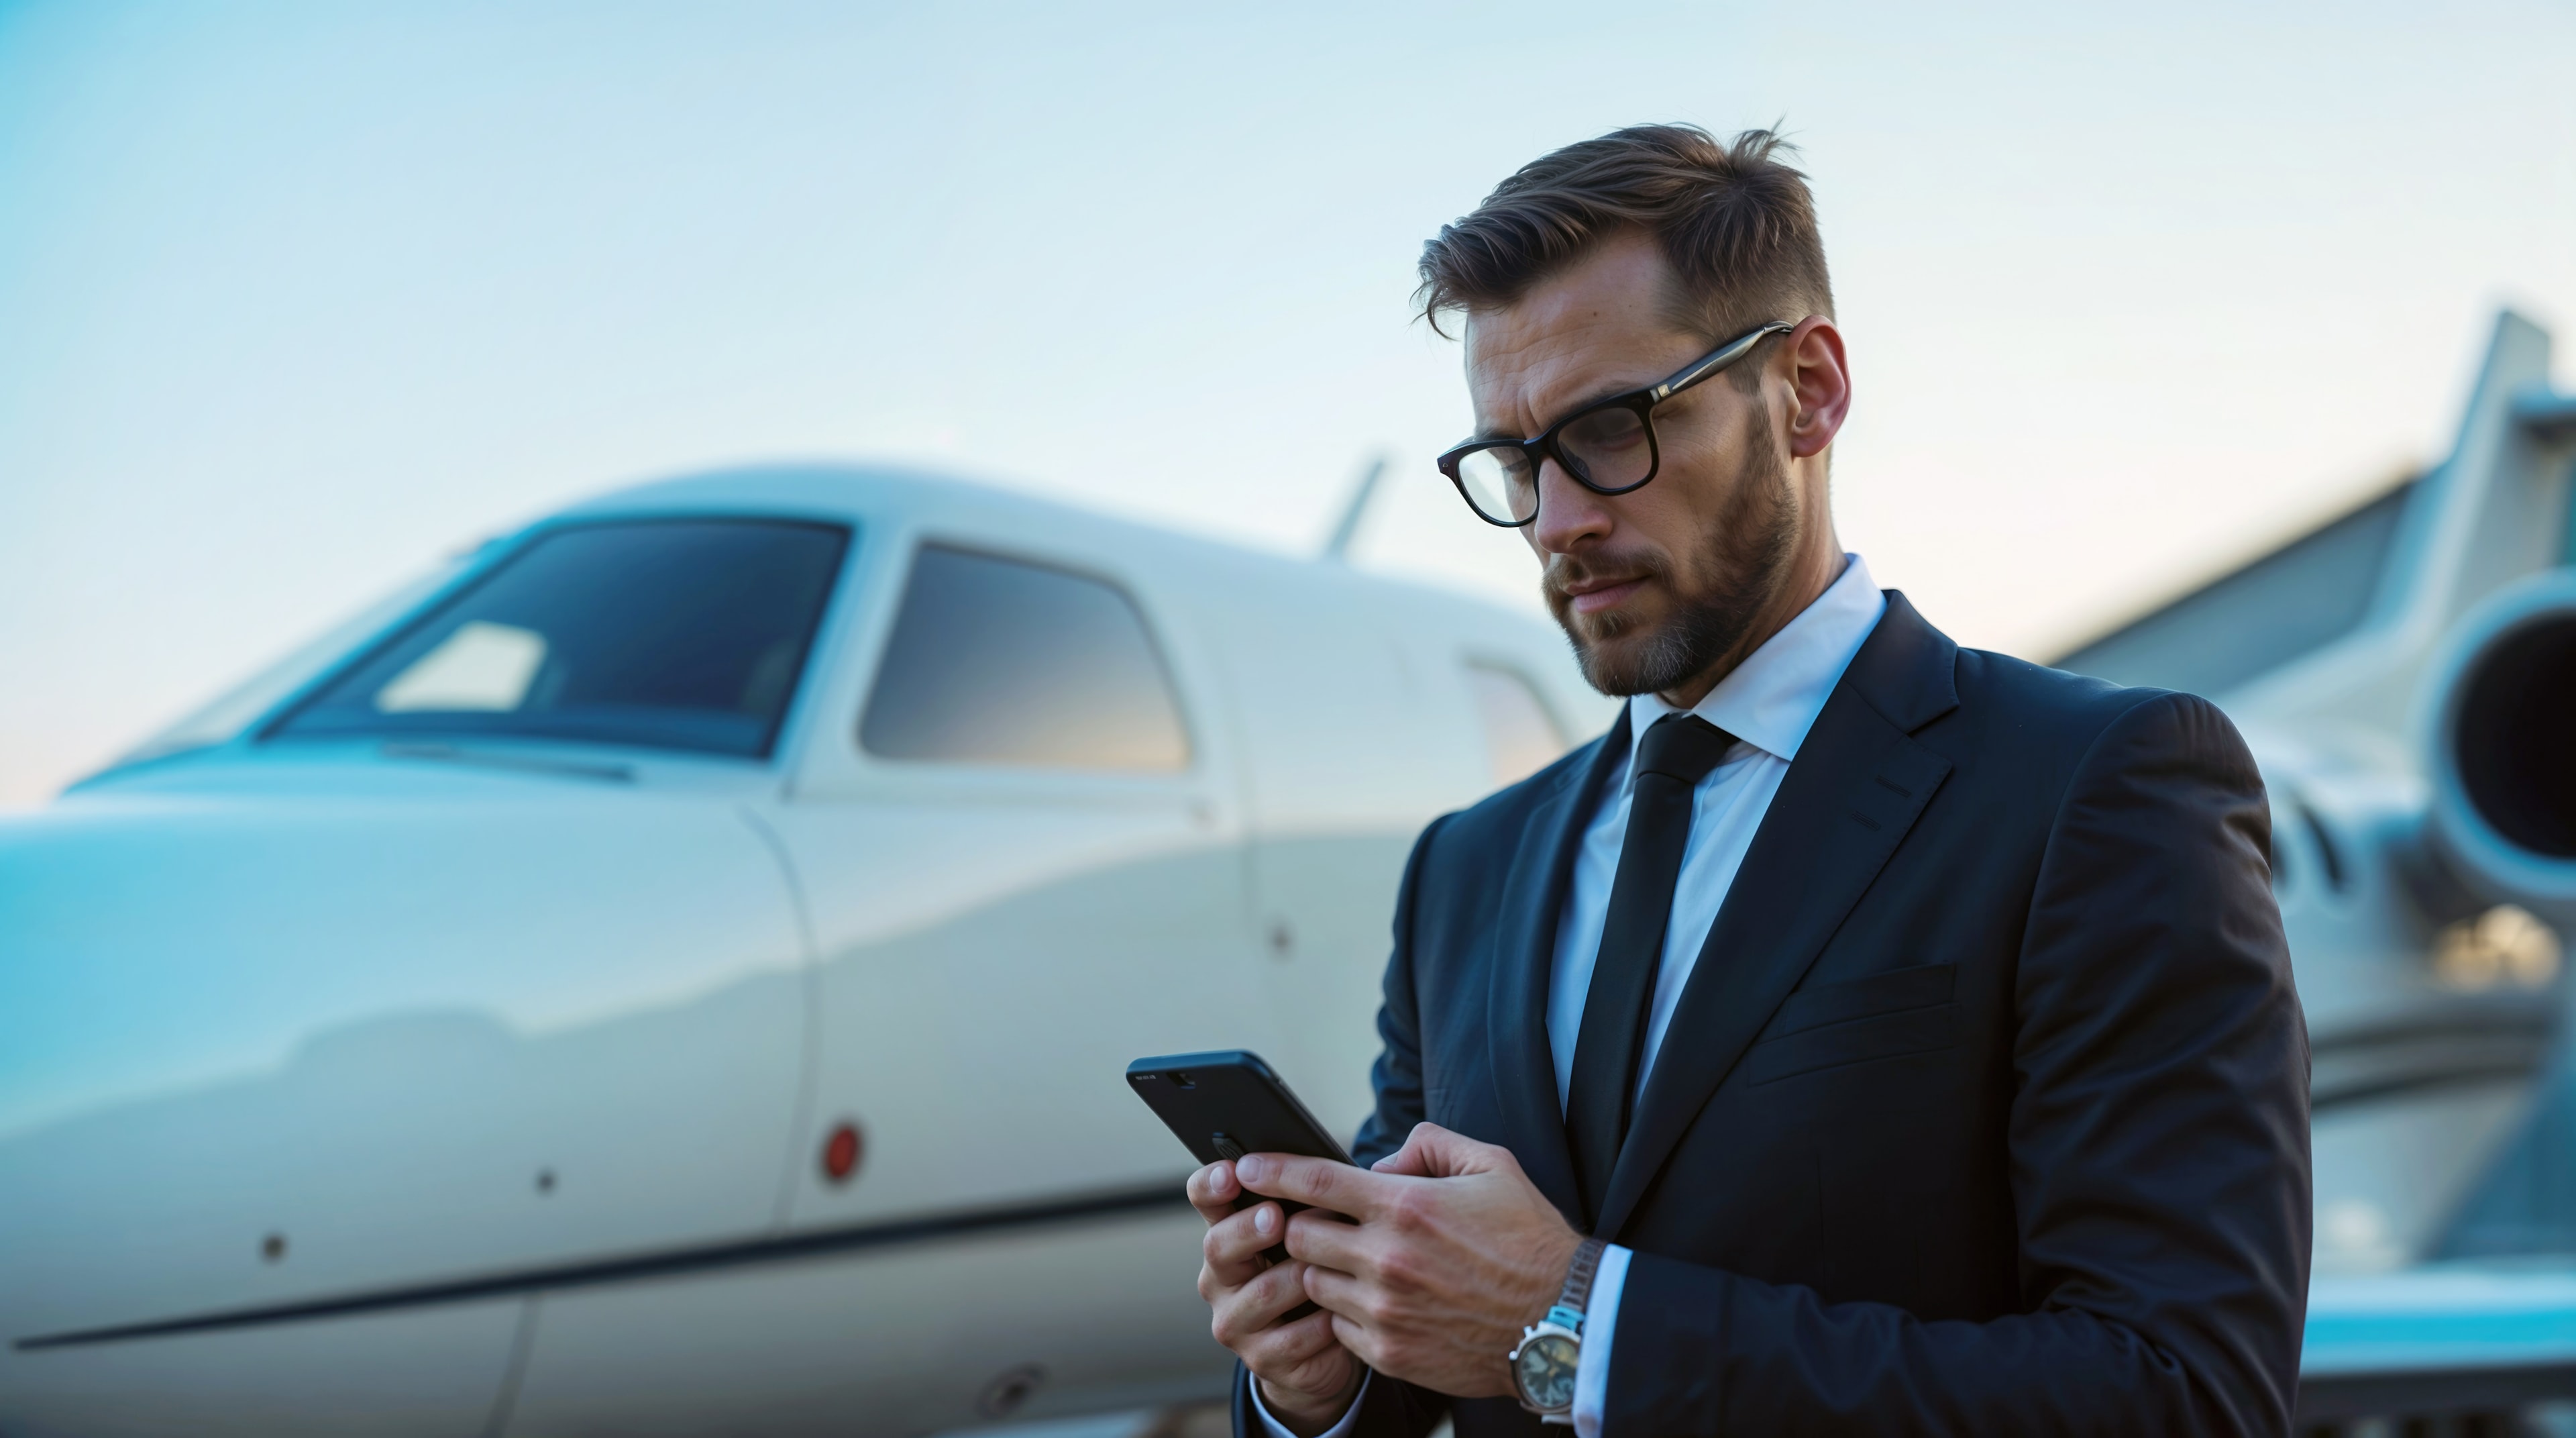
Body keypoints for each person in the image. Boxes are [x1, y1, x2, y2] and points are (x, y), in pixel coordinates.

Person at [1185, 124, 2310, 1437]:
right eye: (1516, 460)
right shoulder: (1465, 868)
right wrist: (1317, 1385)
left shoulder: (2097, 787)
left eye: (1611, 429)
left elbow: (2184, 1396)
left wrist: (1579, 1327)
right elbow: (1448, 1345)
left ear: (1807, 391)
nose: (1558, 522)